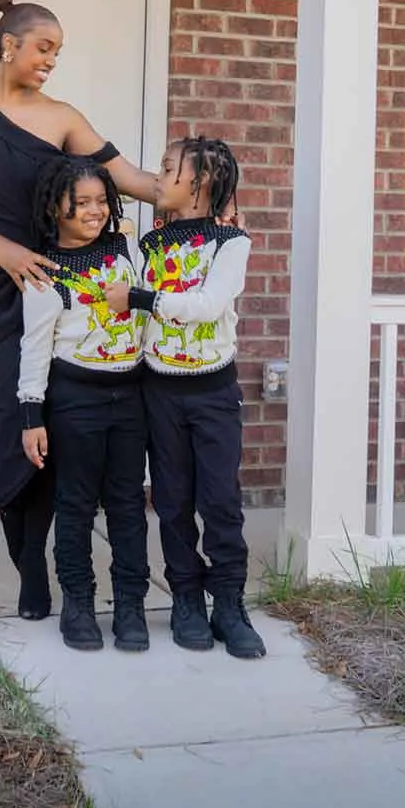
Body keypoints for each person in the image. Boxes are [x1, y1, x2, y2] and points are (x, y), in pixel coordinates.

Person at [0, 0, 161, 621]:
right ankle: (29, 569)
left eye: (57, 52)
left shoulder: (63, 117)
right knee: (14, 415)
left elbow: (132, 180)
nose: (51, 61)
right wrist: (3, 250)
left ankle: (52, 571)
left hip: (60, 291)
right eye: (44, 48)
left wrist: (203, 196)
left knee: (55, 423)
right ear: (10, 43)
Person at [105, 135, 264, 659]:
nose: (157, 175)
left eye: (168, 168)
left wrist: (143, 298)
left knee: (219, 501)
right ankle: (187, 601)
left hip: (212, 392)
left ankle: (230, 604)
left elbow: (207, 303)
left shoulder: (230, 244)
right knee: (172, 501)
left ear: (200, 183)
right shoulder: (148, 245)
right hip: (160, 393)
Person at [16, 156, 152, 652]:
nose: (95, 211)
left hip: (131, 395)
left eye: (102, 201)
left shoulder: (126, 249)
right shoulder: (43, 273)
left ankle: (131, 604)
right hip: (75, 399)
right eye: (82, 203)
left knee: (128, 503)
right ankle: (78, 602)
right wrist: (32, 416)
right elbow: (34, 347)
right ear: (56, 207)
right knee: (73, 505)